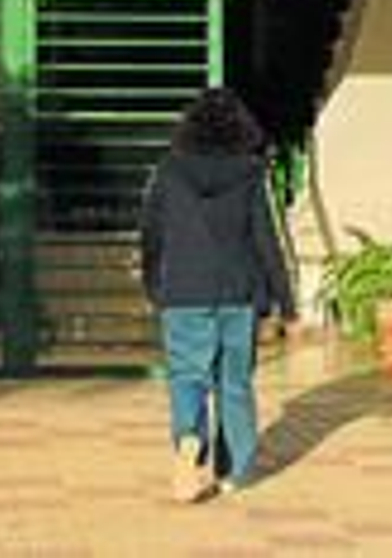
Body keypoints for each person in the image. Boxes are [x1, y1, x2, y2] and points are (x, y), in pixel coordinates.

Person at [140, 86, 296, 503]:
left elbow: (152, 234)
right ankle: (236, 473)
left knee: (188, 376)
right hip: (237, 291)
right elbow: (265, 239)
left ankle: (190, 438)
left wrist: (153, 283)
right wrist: (285, 297)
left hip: (184, 290)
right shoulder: (250, 172)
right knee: (235, 384)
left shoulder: (169, 170)